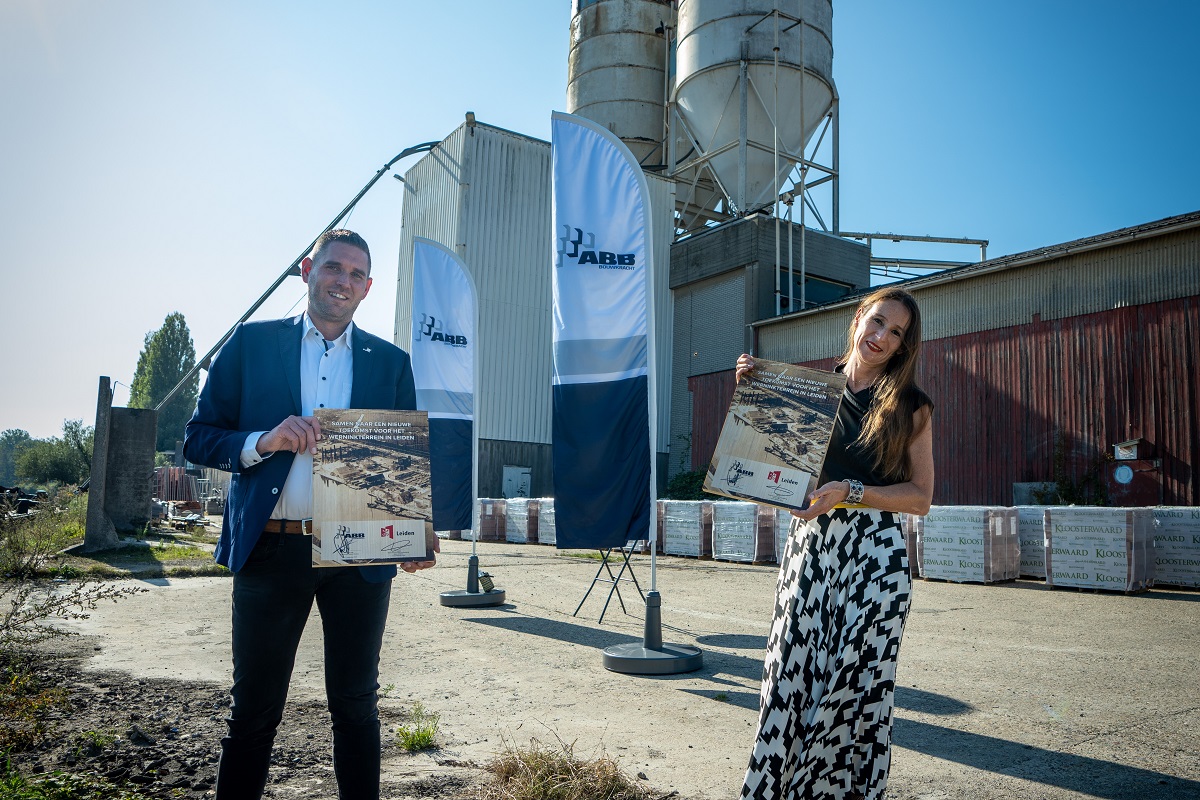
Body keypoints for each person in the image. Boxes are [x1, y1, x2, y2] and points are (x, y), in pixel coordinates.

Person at [184, 229, 437, 800]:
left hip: (358, 555)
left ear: (368, 288)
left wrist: (414, 528)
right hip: (271, 549)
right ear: (307, 269)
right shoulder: (250, 344)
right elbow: (198, 438)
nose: (343, 281)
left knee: (356, 706)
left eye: (355, 274)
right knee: (253, 710)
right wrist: (263, 441)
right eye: (333, 267)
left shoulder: (391, 364)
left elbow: (400, 462)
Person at [737, 286, 934, 800]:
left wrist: (851, 492)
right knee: (789, 680)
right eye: (878, 321)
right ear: (859, 318)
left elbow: (920, 497)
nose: (882, 337)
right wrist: (754, 395)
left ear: (904, 346)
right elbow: (767, 468)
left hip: (874, 561)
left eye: (896, 333)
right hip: (811, 552)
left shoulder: (911, 406)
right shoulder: (807, 393)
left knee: (855, 690)